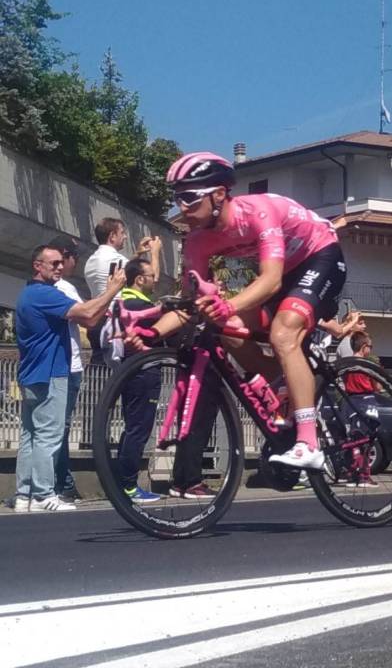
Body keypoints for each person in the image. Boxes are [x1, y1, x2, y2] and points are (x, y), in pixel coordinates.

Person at [134, 152, 347, 471]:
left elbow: (271, 280)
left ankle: (308, 441)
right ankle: (282, 383)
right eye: (178, 199)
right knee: (223, 325)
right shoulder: (197, 241)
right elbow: (191, 304)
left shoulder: (257, 212)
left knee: (283, 332)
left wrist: (229, 303)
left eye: (191, 198)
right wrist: (151, 333)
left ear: (219, 194)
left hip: (320, 255)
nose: (183, 208)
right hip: (287, 272)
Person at [14, 245, 125, 512]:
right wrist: (112, 289)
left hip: (32, 373)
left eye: (61, 262)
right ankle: (43, 494)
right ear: (37, 266)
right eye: (53, 263)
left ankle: (23, 494)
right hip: (51, 373)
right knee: (48, 436)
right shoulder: (45, 295)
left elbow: (87, 319)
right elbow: (87, 315)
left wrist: (105, 297)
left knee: (30, 435)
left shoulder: (29, 294)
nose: (60, 267)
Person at [116, 258, 165, 502]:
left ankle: (123, 484)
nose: (155, 279)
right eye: (151, 275)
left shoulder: (127, 300)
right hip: (144, 372)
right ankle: (128, 487)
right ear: (139, 279)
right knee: (138, 430)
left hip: (133, 372)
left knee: (131, 428)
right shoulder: (136, 304)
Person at [83, 217, 162, 363]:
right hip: (115, 322)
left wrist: (138, 254)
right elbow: (151, 278)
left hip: (98, 319)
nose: (125, 236)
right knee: (118, 371)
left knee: (99, 371)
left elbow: (127, 270)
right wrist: (155, 253)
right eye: (122, 233)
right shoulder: (117, 260)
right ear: (112, 236)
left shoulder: (91, 261)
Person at [47, 234, 85, 503]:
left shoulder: (52, 288)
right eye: (74, 257)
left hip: (63, 365)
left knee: (52, 427)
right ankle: (63, 483)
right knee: (59, 427)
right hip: (67, 366)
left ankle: (58, 483)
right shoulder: (64, 288)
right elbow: (88, 316)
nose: (73, 264)